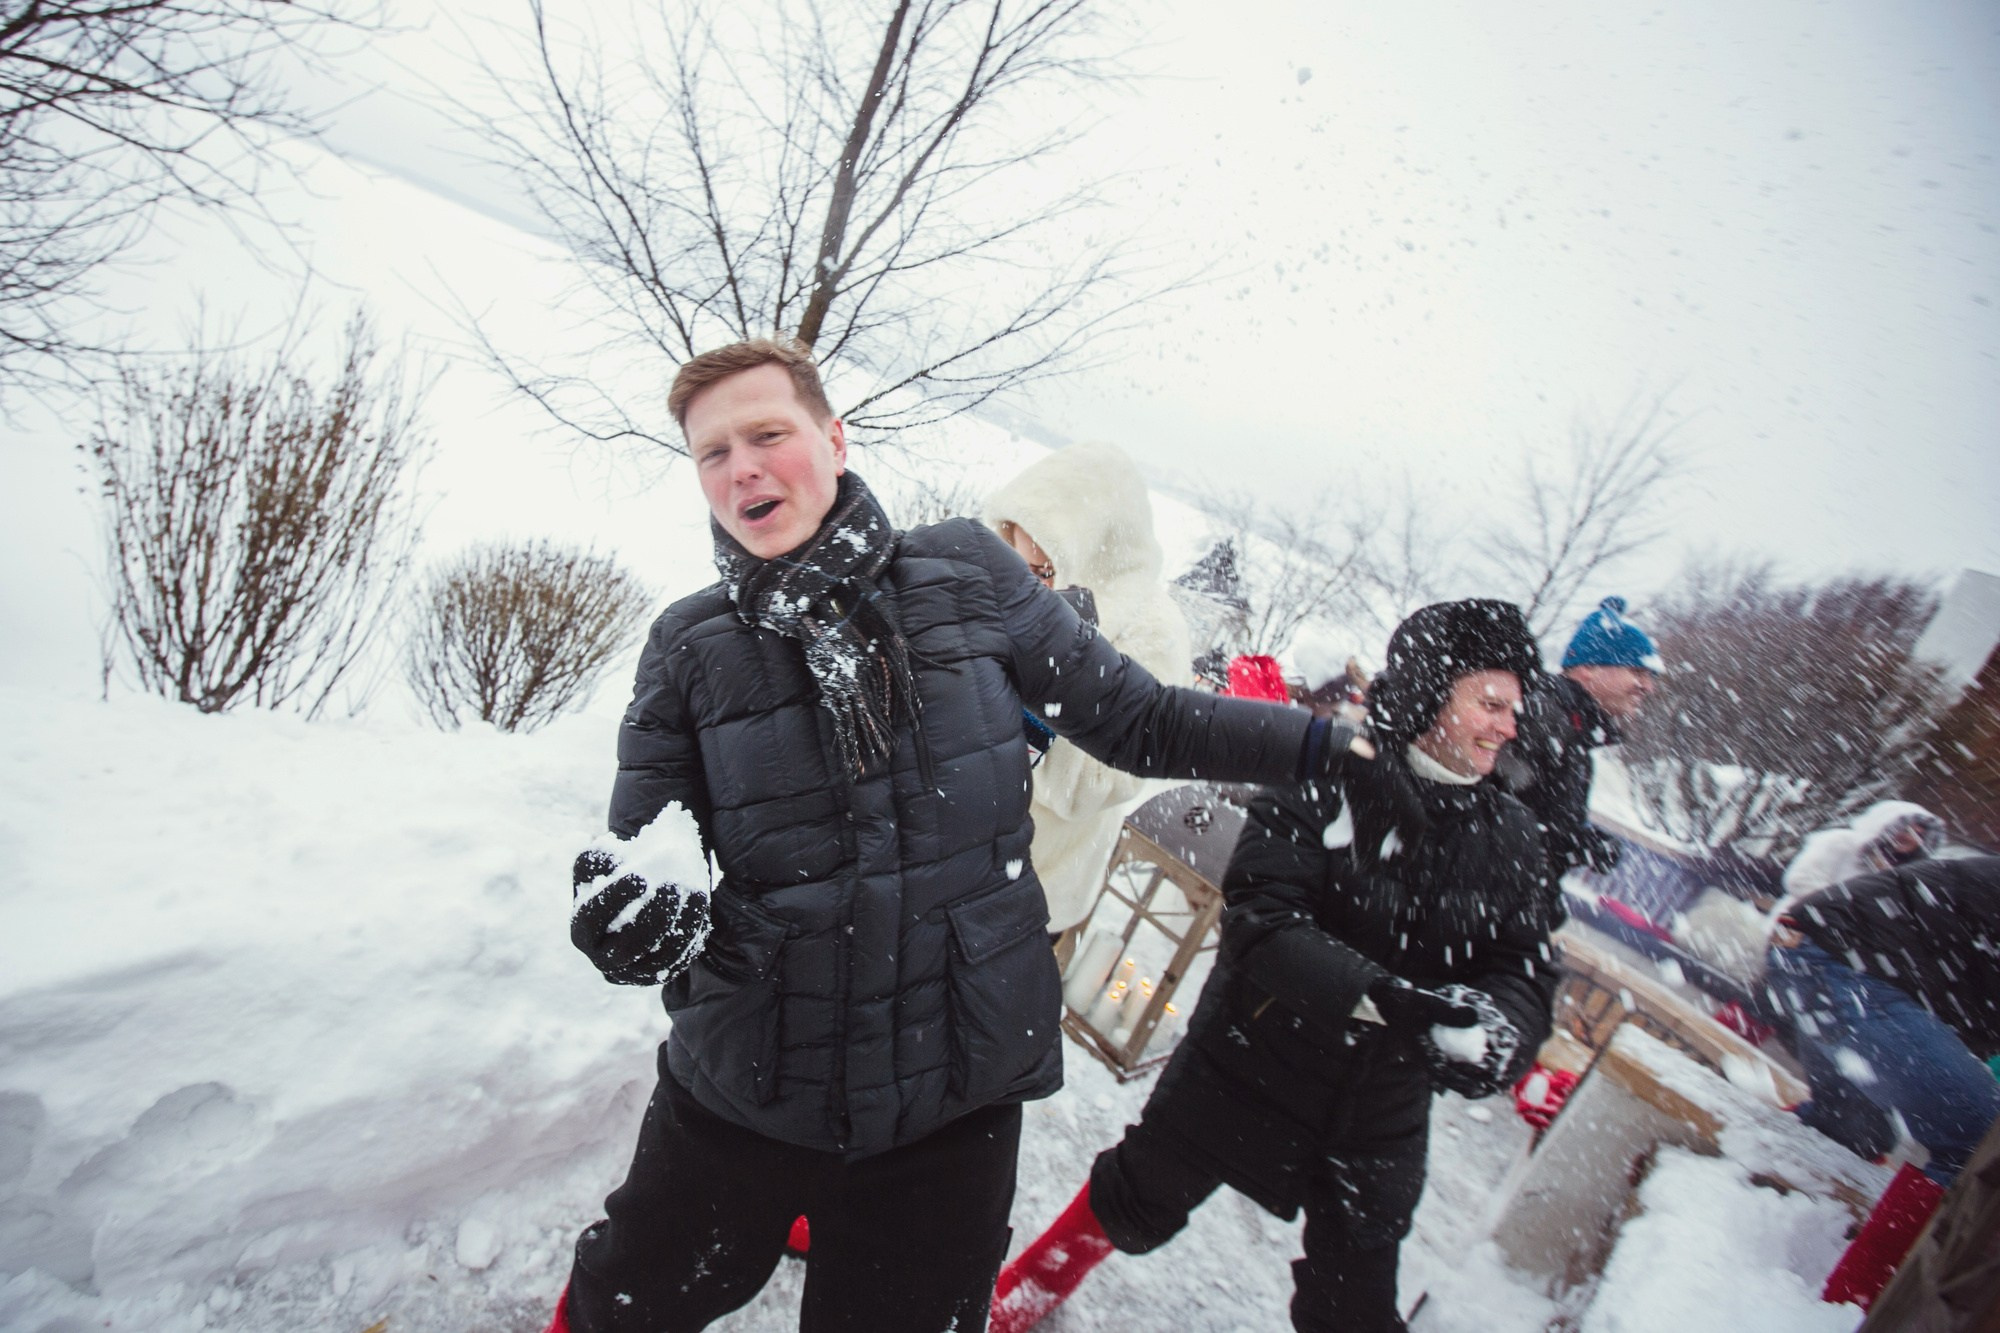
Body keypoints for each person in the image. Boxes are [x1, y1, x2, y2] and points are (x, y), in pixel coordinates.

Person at [545, 337, 1368, 1333]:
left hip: (951, 1097)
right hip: (746, 1082)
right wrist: (630, 924)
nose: (741, 467)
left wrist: (1329, 748)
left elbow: (1140, 719)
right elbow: (646, 845)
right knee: (621, 1309)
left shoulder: (966, 575)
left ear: (834, 439)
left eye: (766, 434)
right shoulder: (689, 644)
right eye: (711, 453)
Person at [992, 599, 1561, 1333]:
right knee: (1131, 1197)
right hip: (1247, 1065)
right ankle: (1015, 1301)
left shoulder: (1512, 834)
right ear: (1430, 688)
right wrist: (1381, 999)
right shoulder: (1328, 769)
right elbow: (1263, 918)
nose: (1507, 725)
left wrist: (1497, 1030)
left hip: (1380, 1109)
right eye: (1490, 702)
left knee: (1353, 1303)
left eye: (1515, 708)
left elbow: (1528, 966)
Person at [983, 442, 1193, 943]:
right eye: (1015, 560)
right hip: (955, 856)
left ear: (1092, 553)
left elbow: (1097, 782)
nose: (1027, 587)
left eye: (1045, 570)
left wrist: (1028, 702)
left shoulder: (1151, 634)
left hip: (1035, 885)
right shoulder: (1008, 594)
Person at [1769, 853, 2000, 1185]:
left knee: (1854, 1128)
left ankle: (1763, 1185)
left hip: (1825, 957)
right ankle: (1918, 1236)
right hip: (1842, 966)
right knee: (1981, 1146)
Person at [1496, 594, 1662, 877]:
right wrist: (1567, 843)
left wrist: (1575, 842)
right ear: (1588, 668)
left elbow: (1529, 816)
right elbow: (1481, 808)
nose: (1647, 687)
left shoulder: (1576, 741)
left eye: (1651, 678)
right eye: (1637, 672)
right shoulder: (1542, 716)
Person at [1778, 799, 1946, 900]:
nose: (1909, 837)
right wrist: (1846, 911)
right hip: (1802, 931)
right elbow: (1799, 881)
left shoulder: (1905, 873)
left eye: (1919, 836)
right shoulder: (1841, 842)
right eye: (1905, 829)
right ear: (1885, 827)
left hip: (1853, 945)